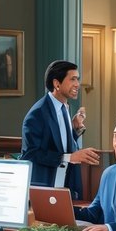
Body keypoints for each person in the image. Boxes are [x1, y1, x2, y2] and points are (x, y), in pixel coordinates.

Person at [20, 60, 100, 199]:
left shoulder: (64, 108)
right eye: (73, 79)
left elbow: (58, 143)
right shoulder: (37, 114)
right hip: (46, 188)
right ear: (57, 84)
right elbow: (31, 154)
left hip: (67, 185)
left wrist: (74, 130)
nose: (77, 84)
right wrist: (70, 157)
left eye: (78, 79)